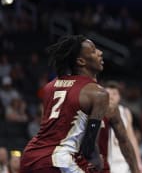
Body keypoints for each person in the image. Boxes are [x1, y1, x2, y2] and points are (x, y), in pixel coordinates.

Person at [19, 35, 109, 173]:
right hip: (60, 159)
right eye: (93, 51)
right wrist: (97, 161)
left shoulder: (50, 86)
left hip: (30, 157)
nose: (100, 52)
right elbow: (89, 146)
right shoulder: (98, 94)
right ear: (81, 61)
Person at [104, 81, 142, 173]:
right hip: (103, 160)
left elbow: (131, 138)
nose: (111, 96)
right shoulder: (97, 110)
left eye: (114, 93)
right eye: (108, 93)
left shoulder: (125, 112)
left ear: (119, 97)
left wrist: (139, 162)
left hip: (121, 161)